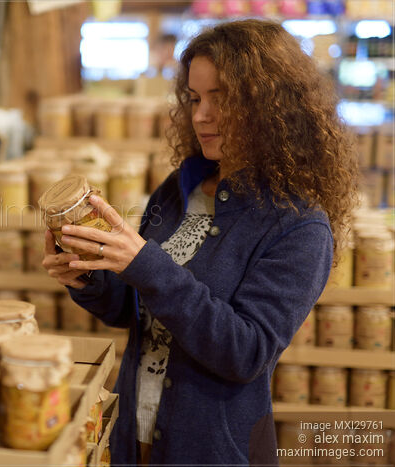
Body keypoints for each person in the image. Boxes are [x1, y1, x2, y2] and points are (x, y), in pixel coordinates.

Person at [42, 19, 358, 465]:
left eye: (221, 99)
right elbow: (131, 312)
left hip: (211, 449)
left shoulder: (299, 227)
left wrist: (146, 264)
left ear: (271, 105)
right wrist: (89, 276)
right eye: (194, 98)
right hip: (132, 434)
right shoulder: (179, 188)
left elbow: (245, 352)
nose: (200, 115)